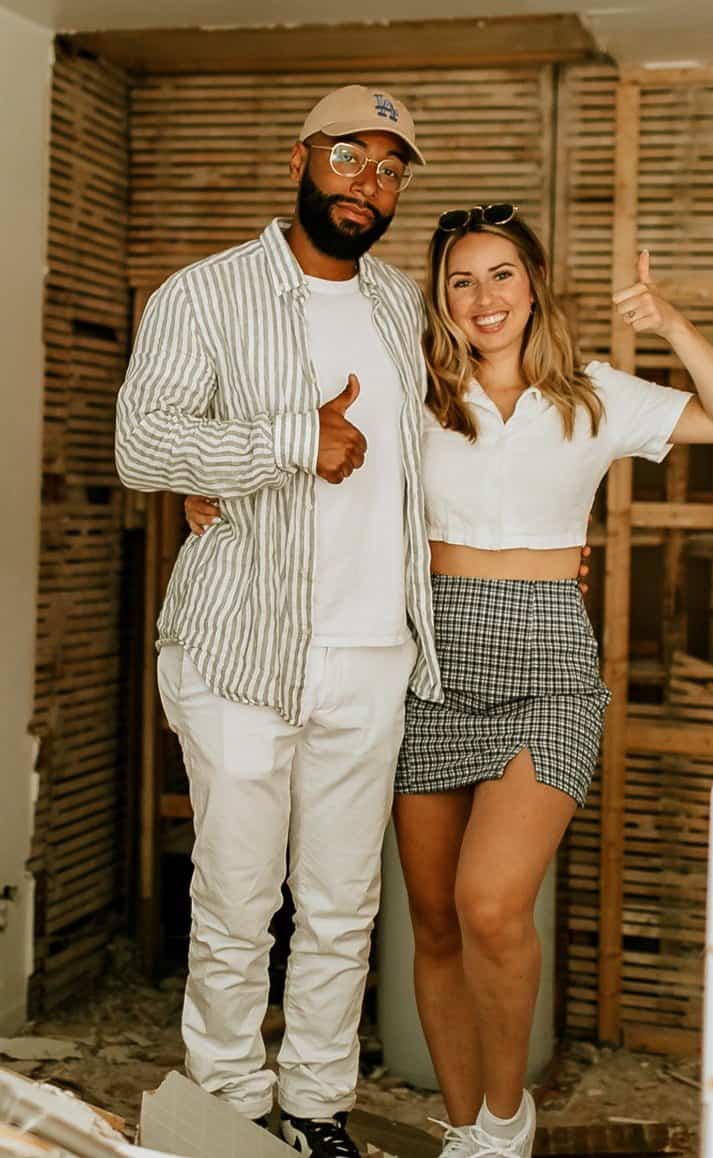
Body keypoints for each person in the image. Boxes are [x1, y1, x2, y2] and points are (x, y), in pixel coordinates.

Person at [184, 209, 713, 1158]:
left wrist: (667, 322)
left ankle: (505, 1116)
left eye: (501, 275)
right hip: (428, 658)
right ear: (440, 298)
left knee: (491, 903)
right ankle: (467, 1133)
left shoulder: (593, 395)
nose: (483, 297)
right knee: (434, 922)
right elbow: (307, 447)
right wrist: (209, 480)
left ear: (533, 286)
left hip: (547, 665)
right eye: (461, 280)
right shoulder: (411, 393)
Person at [114, 84, 442, 1158]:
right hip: (239, 651)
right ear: (298, 159)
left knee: (343, 907)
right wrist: (289, 442)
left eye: (389, 169)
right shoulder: (203, 294)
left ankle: (314, 1110)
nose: (368, 182)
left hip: (372, 650)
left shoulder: (401, 306)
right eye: (349, 155)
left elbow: (444, 449)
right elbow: (142, 445)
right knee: (236, 901)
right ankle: (228, 1107)